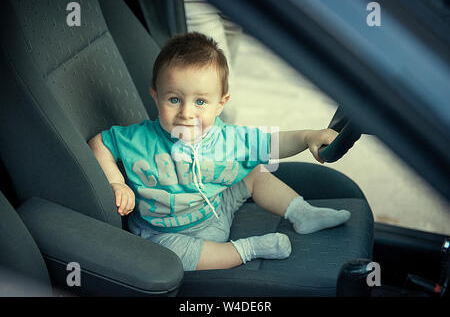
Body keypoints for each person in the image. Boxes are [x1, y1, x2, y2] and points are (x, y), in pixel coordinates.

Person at [88, 32, 351, 271]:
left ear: (220, 104)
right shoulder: (137, 139)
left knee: (255, 171)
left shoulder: (226, 139)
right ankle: (249, 249)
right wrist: (116, 182)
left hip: (215, 212)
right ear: (156, 97)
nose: (187, 113)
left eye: (200, 101)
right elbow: (100, 143)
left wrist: (307, 137)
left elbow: (270, 144)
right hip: (165, 234)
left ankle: (302, 213)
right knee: (167, 254)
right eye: (174, 99)